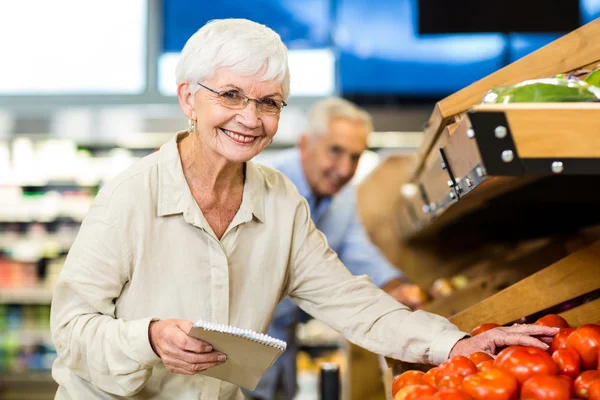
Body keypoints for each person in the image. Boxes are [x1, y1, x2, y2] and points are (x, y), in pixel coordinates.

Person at [49, 18, 558, 400]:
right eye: (231, 95)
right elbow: (70, 333)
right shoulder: (129, 197)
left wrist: (453, 345)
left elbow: (350, 302)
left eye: (268, 102)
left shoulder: (278, 201)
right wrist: (150, 338)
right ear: (189, 99)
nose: (250, 118)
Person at [246, 97, 421, 400]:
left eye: (356, 157)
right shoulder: (261, 185)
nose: (344, 168)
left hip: (284, 346)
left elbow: (356, 249)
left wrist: (395, 286)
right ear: (305, 144)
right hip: (240, 346)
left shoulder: (344, 197)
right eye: (336, 151)